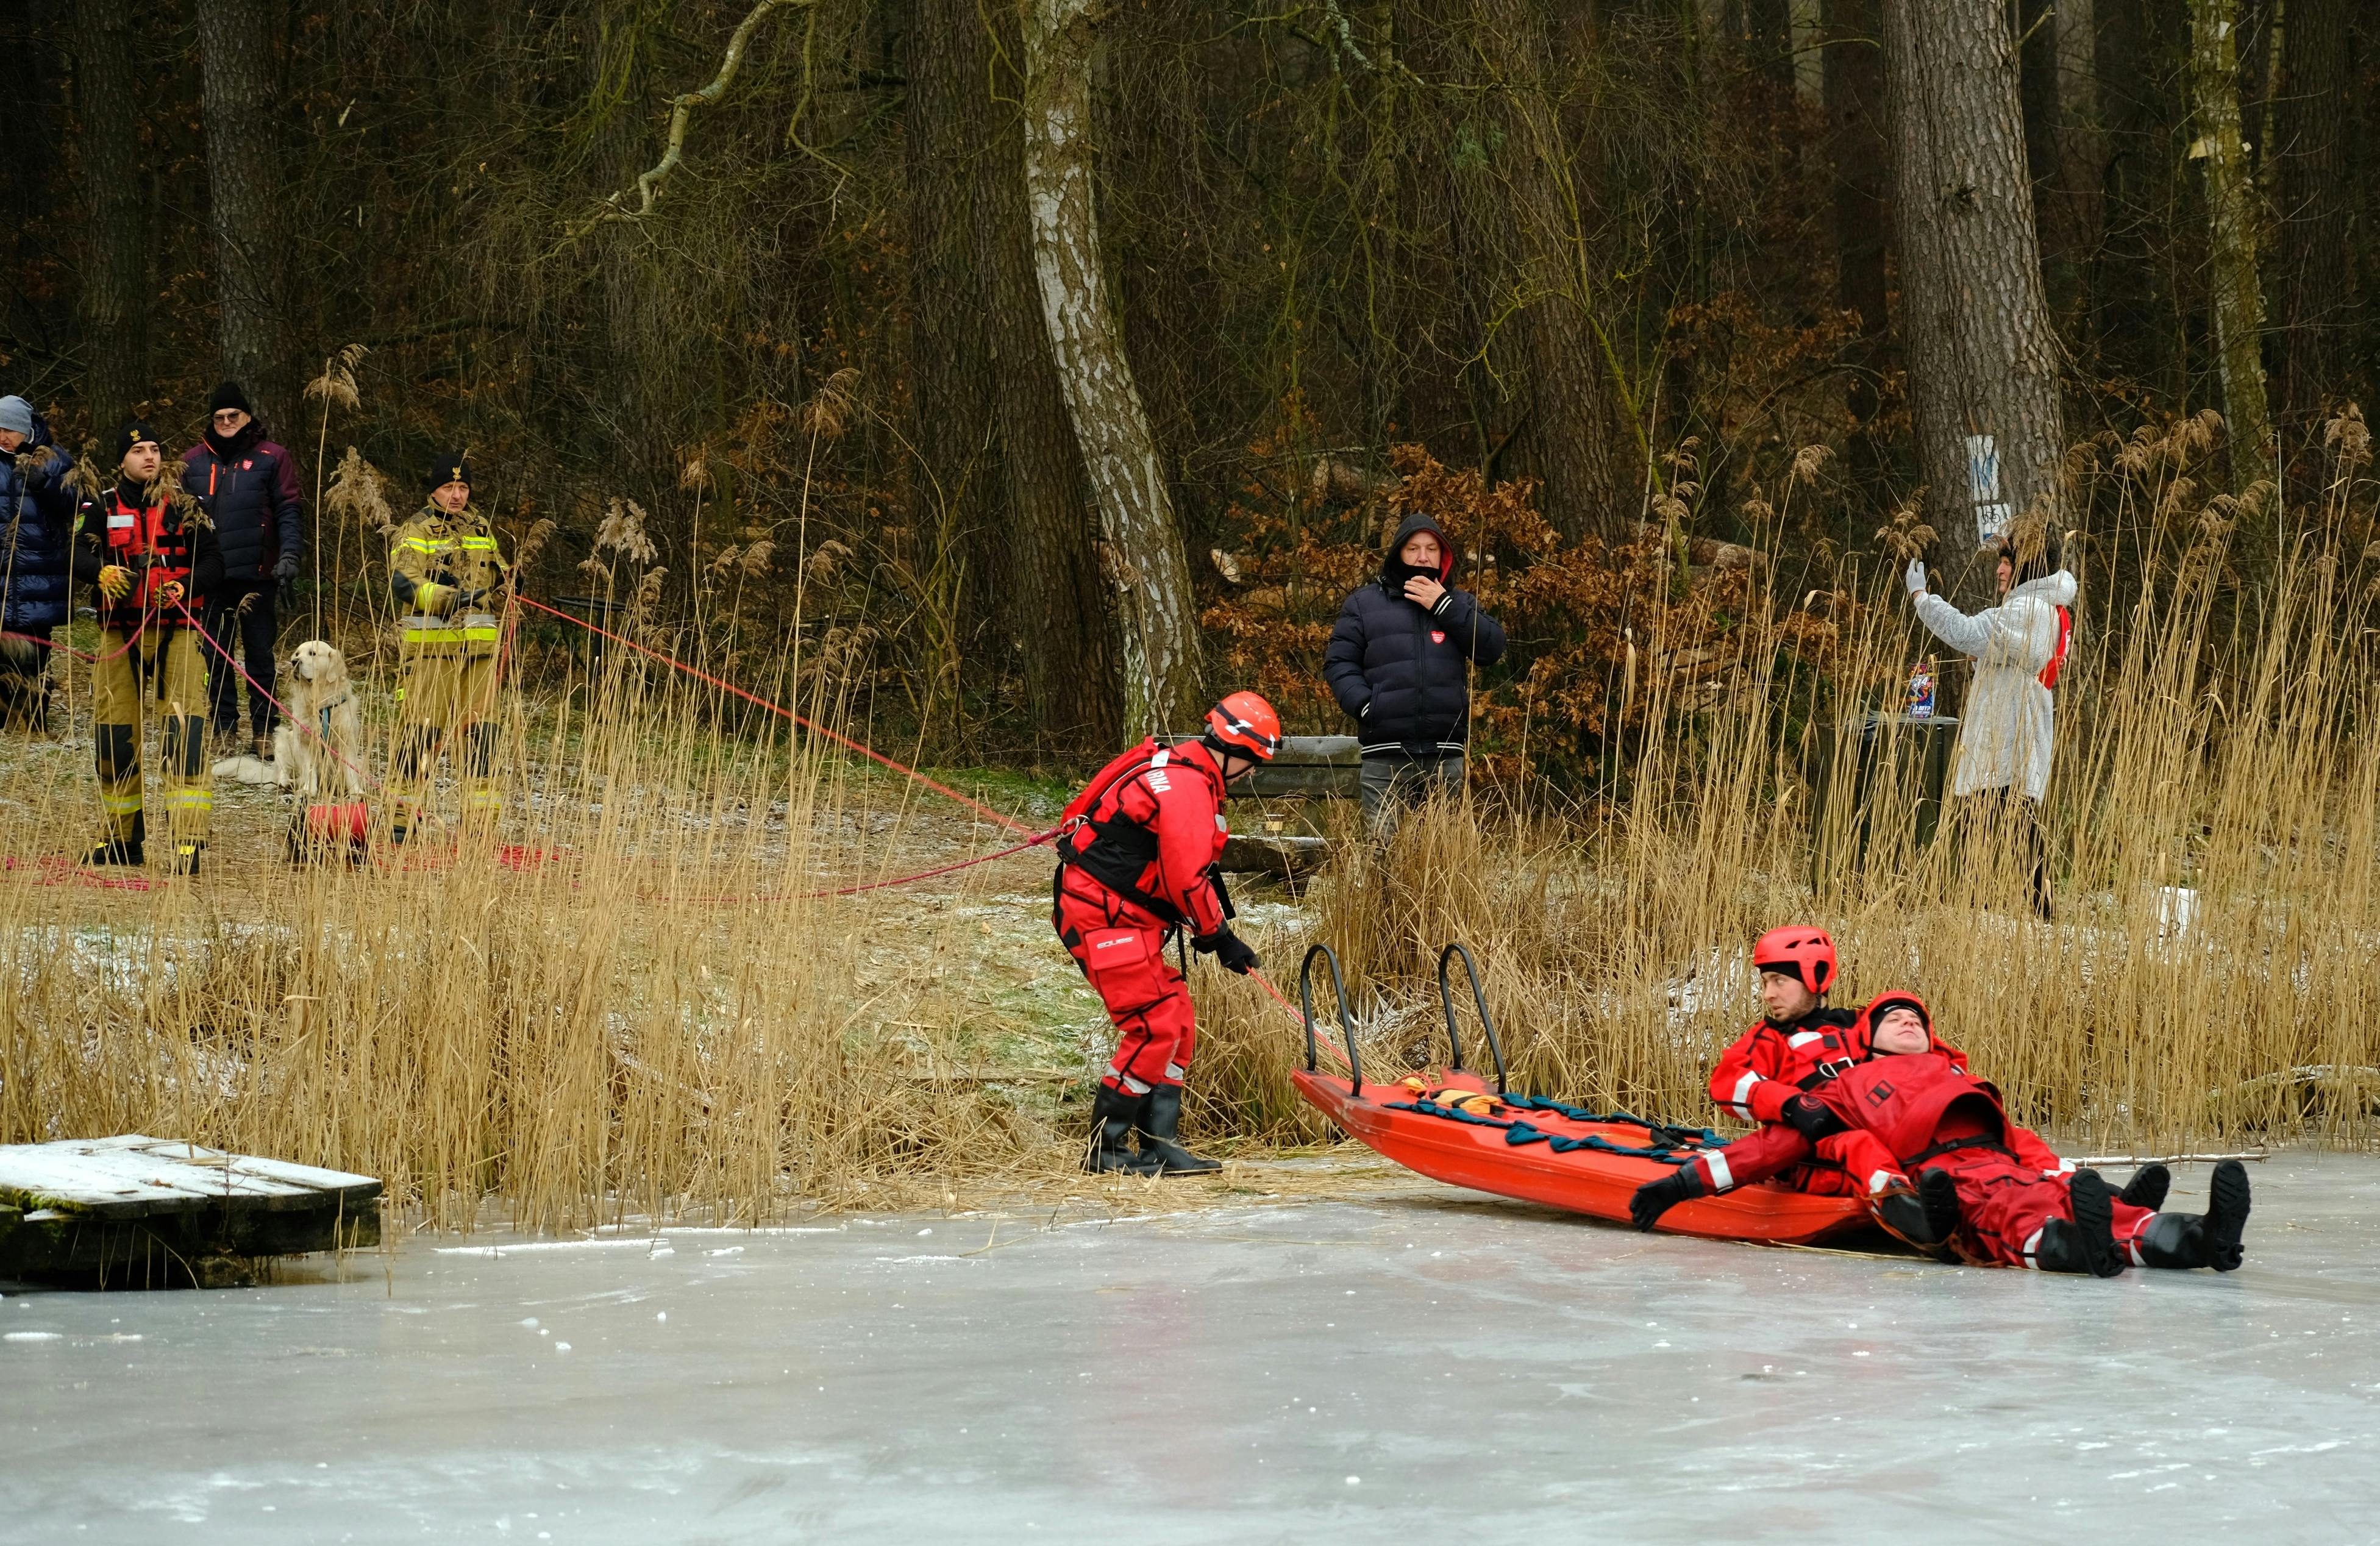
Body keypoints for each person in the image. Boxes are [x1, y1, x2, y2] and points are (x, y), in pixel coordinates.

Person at [1633, 993, 2245, 1276]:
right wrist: (1680, 1184)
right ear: (1868, 1039)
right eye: (1891, 1018)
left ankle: (2199, 1237)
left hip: (2005, 1162)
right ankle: (2081, 1248)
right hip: (1945, 1177)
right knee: (2015, 1217)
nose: (1906, 1021)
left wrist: (2063, 1174)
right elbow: (1777, 1146)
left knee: (2097, 1206)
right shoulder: (1846, 1088)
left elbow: (2017, 1135)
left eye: (1916, 1019)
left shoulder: (1958, 1073)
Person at [1055, 693, 1280, 1175]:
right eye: (1255, 761)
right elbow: (1186, 878)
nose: (1254, 773)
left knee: (1175, 1019)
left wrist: (1214, 933)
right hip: (1103, 916)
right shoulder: (1186, 788)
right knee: (1152, 1025)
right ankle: (1106, 1150)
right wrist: (1219, 937)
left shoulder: (1183, 773)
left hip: (1124, 914)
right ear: (1232, 752)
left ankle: (1161, 1143)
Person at [71, 422, 222, 874]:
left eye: (155, 449)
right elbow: (74, 553)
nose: (149, 457)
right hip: (120, 633)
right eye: (139, 450)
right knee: (114, 737)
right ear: (123, 460)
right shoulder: (99, 506)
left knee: (186, 734)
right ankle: (121, 840)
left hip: (178, 631)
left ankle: (188, 841)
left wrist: (181, 583)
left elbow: (216, 563)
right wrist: (100, 572)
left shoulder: (186, 506)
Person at [1904, 517, 2074, 917]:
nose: (1999, 569)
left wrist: (1921, 599)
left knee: (2004, 825)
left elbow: (1965, 631)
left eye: (2008, 563)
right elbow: (2006, 651)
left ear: (2027, 569)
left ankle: (1994, 912)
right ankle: (1990, 910)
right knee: (2005, 825)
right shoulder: (2037, 608)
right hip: (2008, 735)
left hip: (2008, 738)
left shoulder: (2028, 609)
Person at [1324, 511, 1505, 833]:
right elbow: (1339, 664)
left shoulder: (1459, 604)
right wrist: (1369, 707)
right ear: (1398, 554)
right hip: (1385, 754)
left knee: (1440, 859)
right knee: (1384, 853)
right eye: (1413, 548)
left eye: (1432, 549)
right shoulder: (1363, 604)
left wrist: (1444, 606)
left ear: (1443, 556)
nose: (1423, 556)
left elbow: (1491, 649)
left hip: (1444, 753)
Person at [1707, 926, 1897, 1197]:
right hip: (1819, 1168)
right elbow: (1728, 1083)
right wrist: (1791, 1104)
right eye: (1765, 983)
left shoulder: (1864, 1027)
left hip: (1892, 1155)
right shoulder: (1771, 1038)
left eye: (1779, 980)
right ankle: (1901, 1203)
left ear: (1816, 977)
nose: (1768, 994)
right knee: (1859, 1144)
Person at [387, 454, 510, 844]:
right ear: (434, 490)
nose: (456, 496)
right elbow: (404, 583)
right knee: (420, 734)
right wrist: (451, 599)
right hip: (430, 650)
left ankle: (480, 826)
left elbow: (498, 572)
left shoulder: (480, 526)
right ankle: (399, 820)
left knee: (482, 737)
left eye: (463, 488)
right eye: (448, 488)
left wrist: (510, 580)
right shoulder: (416, 528)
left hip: (479, 651)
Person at [181, 380, 306, 760]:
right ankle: (223, 730)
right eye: (218, 417)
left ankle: (265, 731)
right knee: (215, 657)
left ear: (247, 415)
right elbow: (178, 520)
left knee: (260, 656)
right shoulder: (191, 462)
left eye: (233, 415)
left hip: (258, 573)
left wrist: (289, 555)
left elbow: (289, 508)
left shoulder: (272, 457)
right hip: (210, 577)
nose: (226, 422)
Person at [0, 394, 76, 730]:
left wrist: (45, 486)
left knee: (34, 648)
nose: (4, 436)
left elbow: (77, 506)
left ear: (28, 430)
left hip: (40, 574)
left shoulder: (55, 460)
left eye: (11, 430)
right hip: (2, 573)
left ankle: (32, 715)